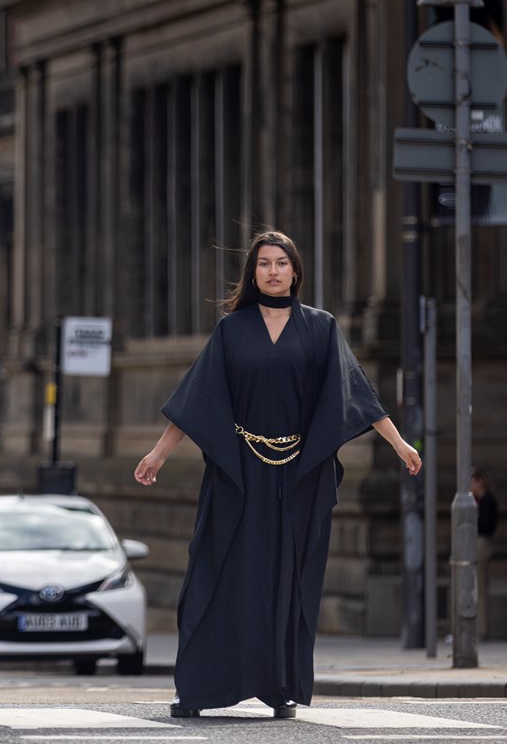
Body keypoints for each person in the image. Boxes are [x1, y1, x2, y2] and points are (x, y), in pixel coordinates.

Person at [134, 230, 421, 719]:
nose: (272, 271)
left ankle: (281, 687)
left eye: (281, 263)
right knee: (216, 571)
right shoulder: (231, 330)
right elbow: (197, 400)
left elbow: (357, 395)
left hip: (299, 476)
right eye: (263, 263)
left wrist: (399, 443)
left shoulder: (321, 328)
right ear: (253, 273)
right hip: (237, 474)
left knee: (287, 579)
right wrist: (158, 453)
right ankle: (199, 687)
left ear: (295, 271)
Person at [471, 467, 499, 639]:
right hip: (475, 543)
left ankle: (481, 629)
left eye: (472, 482)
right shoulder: (478, 500)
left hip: (481, 544)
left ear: (480, 482)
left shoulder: (487, 501)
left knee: (480, 588)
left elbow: (487, 526)